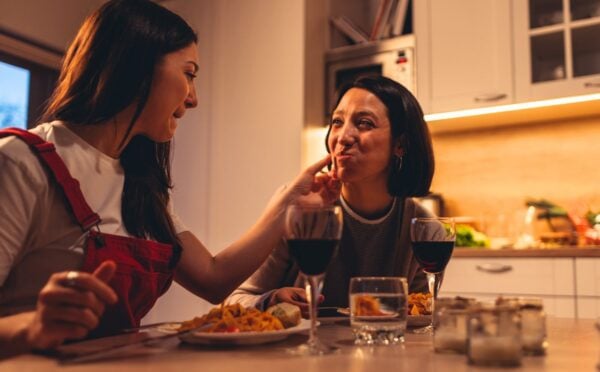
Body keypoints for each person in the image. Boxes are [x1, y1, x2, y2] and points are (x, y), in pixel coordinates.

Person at [0, 0, 339, 358]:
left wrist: (289, 203)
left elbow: (213, 279)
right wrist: (33, 326)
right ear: (136, 68)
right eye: (189, 74)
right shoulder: (20, 162)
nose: (193, 98)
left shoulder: (140, 183)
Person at [228, 75, 436, 314]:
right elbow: (236, 298)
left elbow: (419, 314)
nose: (343, 137)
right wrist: (271, 299)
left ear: (400, 145)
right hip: (299, 349)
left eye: (365, 123)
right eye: (337, 122)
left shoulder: (421, 227)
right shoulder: (302, 211)